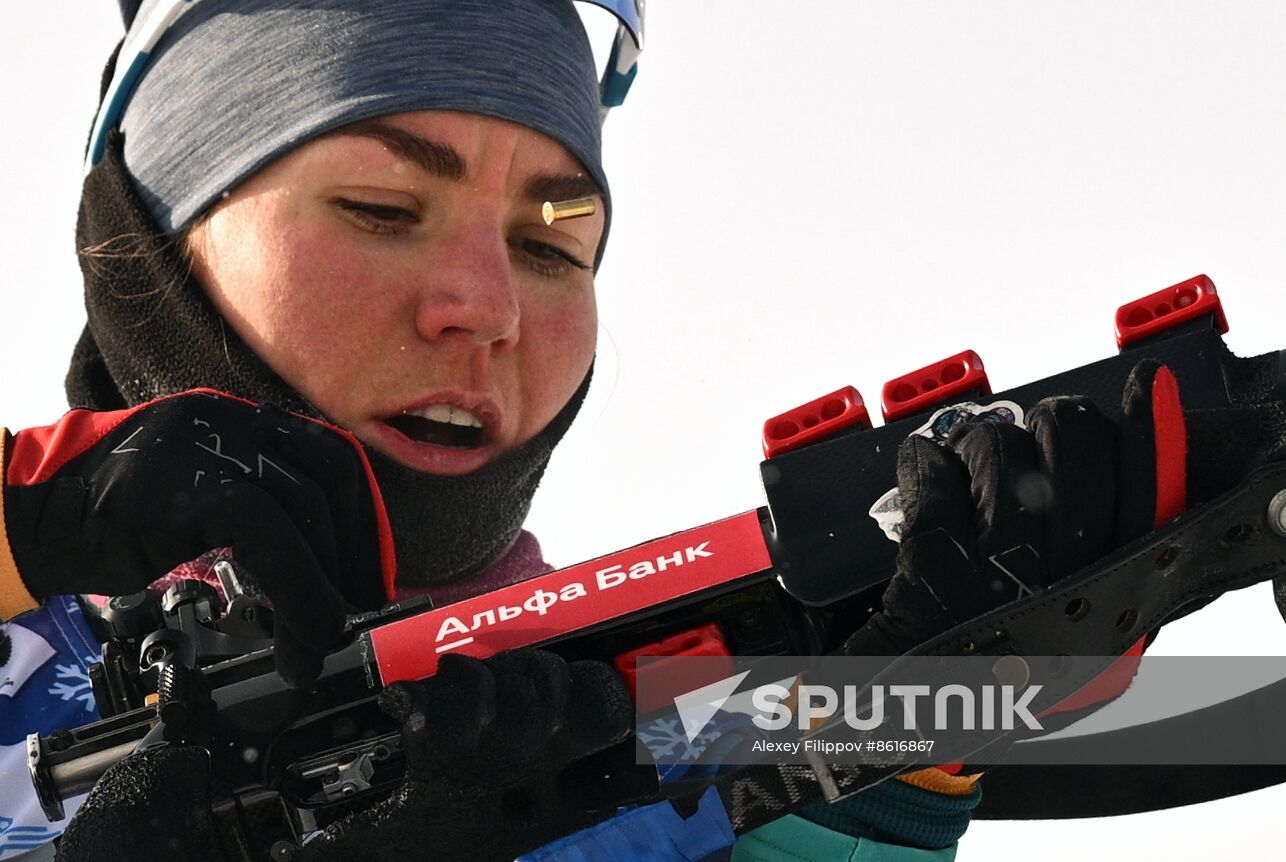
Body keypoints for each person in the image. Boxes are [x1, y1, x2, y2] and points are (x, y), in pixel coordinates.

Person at [0, 2, 1282, 861]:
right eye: (383, 206)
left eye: (555, 239)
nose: (486, 308)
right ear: (153, 243)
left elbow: (1213, 720)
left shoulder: (615, 732)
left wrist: (881, 734)